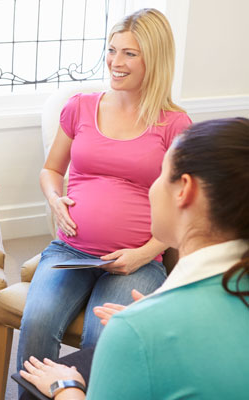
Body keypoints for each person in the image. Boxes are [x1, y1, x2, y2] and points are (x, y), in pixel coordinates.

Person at [16, 8, 193, 384]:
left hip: (137, 259)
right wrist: (54, 198)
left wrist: (142, 255)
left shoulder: (174, 125)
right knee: (36, 323)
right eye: (112, 50)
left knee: (104, 340)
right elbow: (51, 171)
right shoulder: (80, 106)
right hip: (70, 251)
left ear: (154, 58)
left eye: (130, 53)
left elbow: (184, 210)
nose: (115, 61)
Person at [20, 117, 249, 399]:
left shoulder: (134, 332)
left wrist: (65, 387)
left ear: (184, 190)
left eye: (159, 175)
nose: (150, 190)